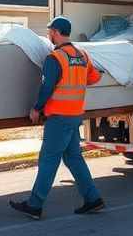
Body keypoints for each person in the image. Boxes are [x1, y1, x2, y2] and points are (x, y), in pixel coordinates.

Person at [10, 16, 105, 220]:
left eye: (49, 31)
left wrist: (36, 108)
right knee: (73, 158)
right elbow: (94, 78)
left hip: (59, 117)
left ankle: (35, 205)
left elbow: (47, 87)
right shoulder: (82, 56)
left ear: (55, 32)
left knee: (48, 160)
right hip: (74, 115)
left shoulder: (55, 58)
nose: (48, 35)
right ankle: (93, 199)